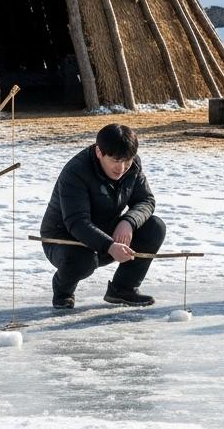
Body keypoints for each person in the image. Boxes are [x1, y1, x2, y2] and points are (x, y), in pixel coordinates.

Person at [39, 123, 166, 308]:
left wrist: (128, 222)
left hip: (106, 231)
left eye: (127, 160)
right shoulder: (76, 171)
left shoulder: (133, 165)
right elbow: (77, 222)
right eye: (115, 160)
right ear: (99, 152)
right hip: (64, 238)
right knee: (83, 260)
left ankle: (123, 289)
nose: (121, 167)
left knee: (155, 227)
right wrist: (109, 245)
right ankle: (63, 290)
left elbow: (146, 200)